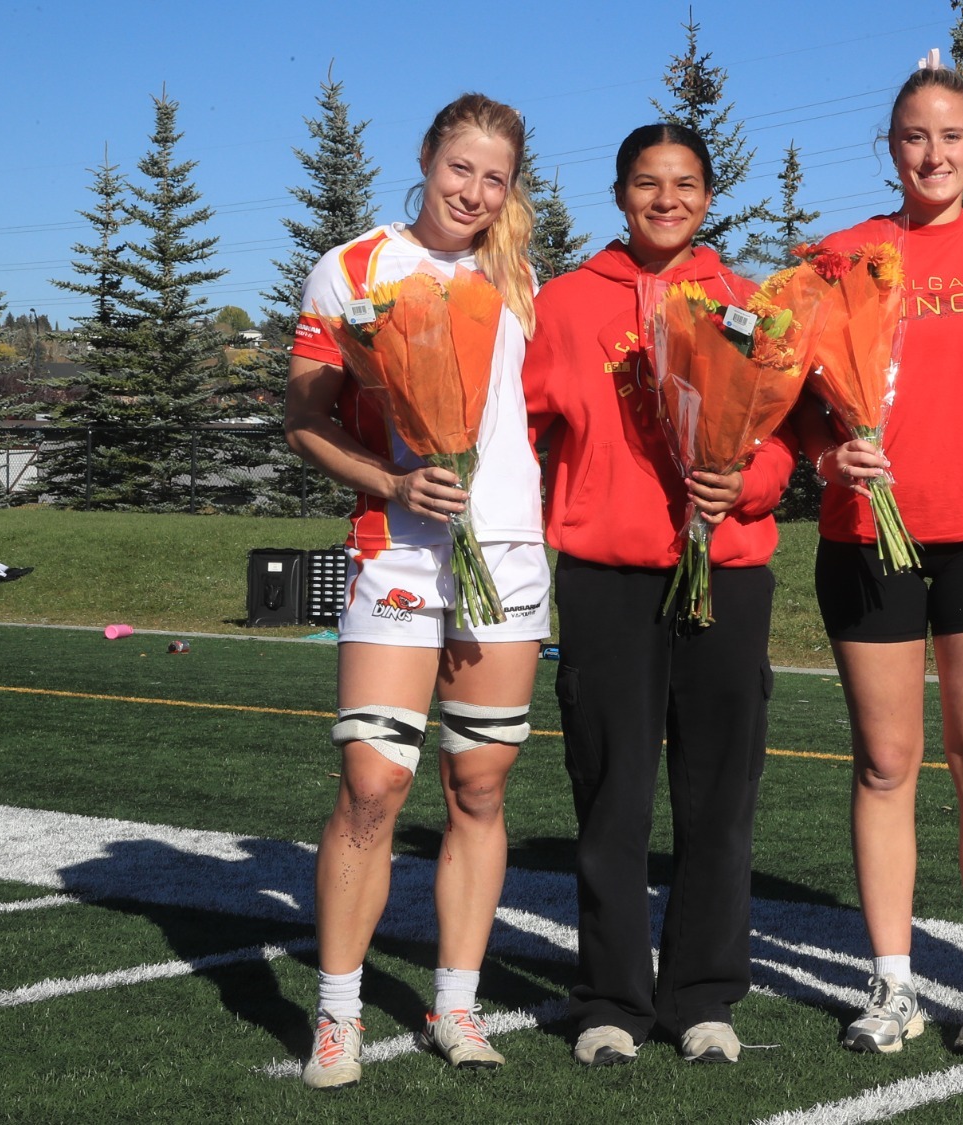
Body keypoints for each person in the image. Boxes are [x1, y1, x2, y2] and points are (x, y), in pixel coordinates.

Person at [284, 92, 547, 1087]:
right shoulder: (353, 268)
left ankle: (455, 1005)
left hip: (507, 554)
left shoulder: (519, 273)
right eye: (459, 170)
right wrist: (393, 481)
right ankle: (339, 1015)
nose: (474, 192)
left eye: (494, 177)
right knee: (372, 783)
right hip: (394, 548)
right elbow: (304, 419)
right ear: (426, 159)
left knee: (476, 785)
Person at [523, 123, 793, 1067]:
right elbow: (518, 431)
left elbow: (787, 437)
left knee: (719, 794)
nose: (666, 199)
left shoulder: (751, 303)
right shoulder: (562, 304)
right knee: (612, 791)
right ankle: (610, 999)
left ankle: (703, 996)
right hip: (605, 577)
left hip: (726, 570)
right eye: (647, 183)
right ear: (620, 193)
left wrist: (745, 487)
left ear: (709, 197)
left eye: (684, 184)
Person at [798, 60, 963, 1058]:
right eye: (913, 136)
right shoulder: (838, 253)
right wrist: (832, 451)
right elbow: (792, 401)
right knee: (885, 762)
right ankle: (891, 984)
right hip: (867, 537)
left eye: (950, 136)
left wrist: (961, 437)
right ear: (889, 147)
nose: (932, 154)